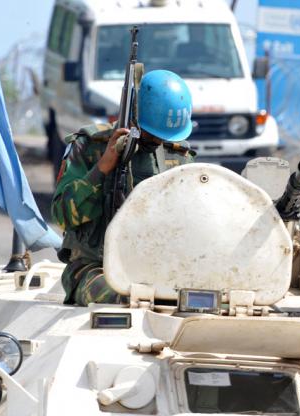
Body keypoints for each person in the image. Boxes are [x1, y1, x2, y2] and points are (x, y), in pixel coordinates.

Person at [51, 70, 195, 306]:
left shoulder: (178, 157)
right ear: (135, 118)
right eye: (152, 135)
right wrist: (103, 167)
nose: (157, 142)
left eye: (163, 138)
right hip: (95, 268)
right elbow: (62, 216)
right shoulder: (90, 146)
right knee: (124, 299)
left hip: (160, 270)